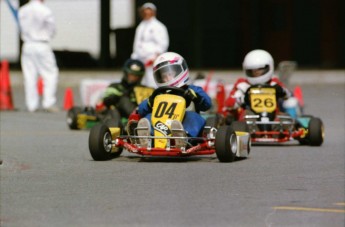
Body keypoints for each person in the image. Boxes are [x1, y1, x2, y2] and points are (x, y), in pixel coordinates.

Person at [137, 52, 212, 147]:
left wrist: (196, 97)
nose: (167, 78)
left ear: (180, 70)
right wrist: (150, 102)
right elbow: (140, 110)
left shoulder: (192, 89)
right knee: (148, 117)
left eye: (170, 74)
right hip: (162, 123)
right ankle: (148, 138)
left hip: (183, 122)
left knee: (194, 117)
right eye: (163, 76)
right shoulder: (159, 93)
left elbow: (207, 104)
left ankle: (184, 137)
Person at [224, 49, 299, 121]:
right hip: (250, 118)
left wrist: (281, 91)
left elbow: (288, 95)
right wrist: (243, 99)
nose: (256, 72)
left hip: (273, 117)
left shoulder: (274, 83)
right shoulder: (242, 85)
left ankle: (293, 124)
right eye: (252, 70)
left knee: (291, 102)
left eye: (260, 69)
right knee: (246, 116)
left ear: (269, 67)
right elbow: (229, 104)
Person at [18, 0, 59, 112]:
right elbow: (52, 29)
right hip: (42, 44)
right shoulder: (45, 10)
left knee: (29, 75)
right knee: (50, 73)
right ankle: (48, 102)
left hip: (27, 45)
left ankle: (31, 104)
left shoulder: (22, 10)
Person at [131, 2, 169, 88]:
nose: (147, 14)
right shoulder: (140, 27)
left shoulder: (159, 26)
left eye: (149, 11)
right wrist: (135, 57)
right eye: (145, 12)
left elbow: (163, 43)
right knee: (140, 83)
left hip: (152, 60)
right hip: (140, 60)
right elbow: (137, 43)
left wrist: (156, 57)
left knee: (152, 82)